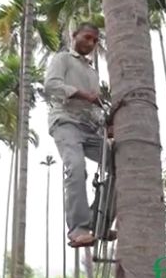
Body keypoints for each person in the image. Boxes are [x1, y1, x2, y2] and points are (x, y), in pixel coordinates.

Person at [44, 22, 116, 248]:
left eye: (95, 41)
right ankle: (78, 229)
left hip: (90, 128)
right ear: (74, 36)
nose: (91, 43)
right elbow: (51, 85)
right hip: (65, 122)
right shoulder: (63, 59)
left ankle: (100, 223)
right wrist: (83, 95)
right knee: (75, 168)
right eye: (87, 37)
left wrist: (106, 124)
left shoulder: (92, 72)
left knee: (121, 166)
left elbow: (94, 107)